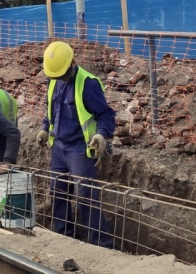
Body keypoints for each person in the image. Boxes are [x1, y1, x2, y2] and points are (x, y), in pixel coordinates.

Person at [37, 41, 115, 248]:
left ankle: (102, 245)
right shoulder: (54, 81)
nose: (61, 79)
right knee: (58, 193)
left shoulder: (87, 84)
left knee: (85, 197)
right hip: (59, 147)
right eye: (57, 76)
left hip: (79, 148)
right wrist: (45, 128)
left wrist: (101, 135)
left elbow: (106, 114)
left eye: (63, 74)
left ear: (73, 62)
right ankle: (63, 237)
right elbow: (50, 110)